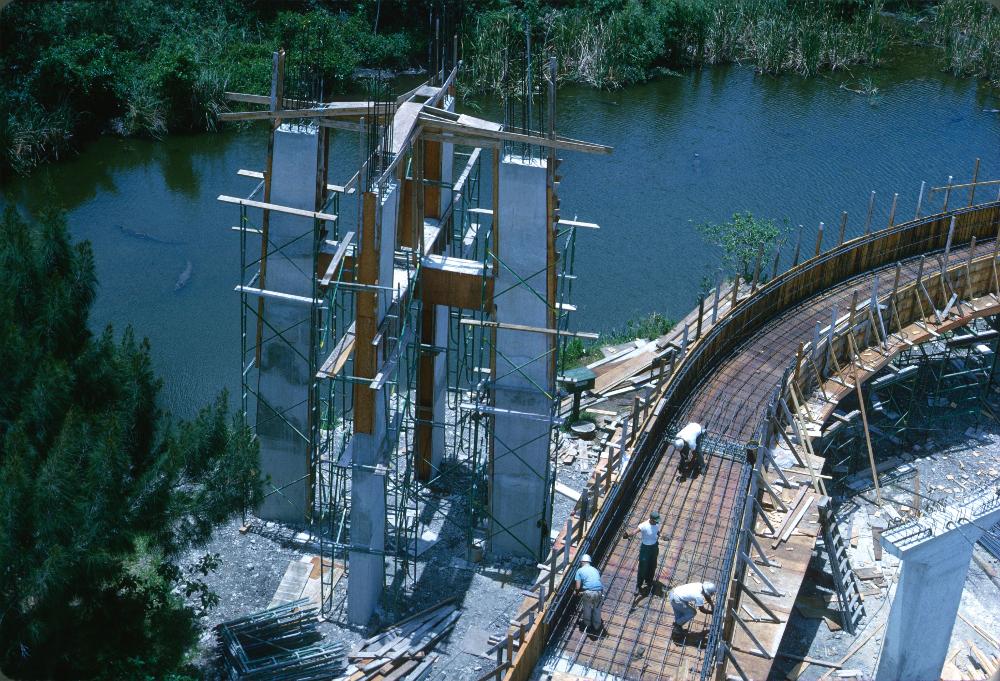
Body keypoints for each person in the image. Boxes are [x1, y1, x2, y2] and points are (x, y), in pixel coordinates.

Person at [623, 511, 662, 595]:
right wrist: (628, 535)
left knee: (653, 565)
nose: (657, 522)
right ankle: (639, 585)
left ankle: (649, 581)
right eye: (656, 520)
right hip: (645, 548)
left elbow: (657, 532)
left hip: (654, 547)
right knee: (642, 567)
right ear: (651, 519)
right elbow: (634, 532)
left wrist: (661, 536)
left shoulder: (656, 524)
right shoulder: (644, 525)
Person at [574, 554, 604, 634]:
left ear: (582, 562)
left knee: (587, 608)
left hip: (589, 593)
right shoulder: (595, 569)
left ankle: (587, 625)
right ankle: (597, 627)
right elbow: (597, 582)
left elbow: (577, 587)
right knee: (597, 610)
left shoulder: (579, 571)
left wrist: (576, 593)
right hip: (599, 592)